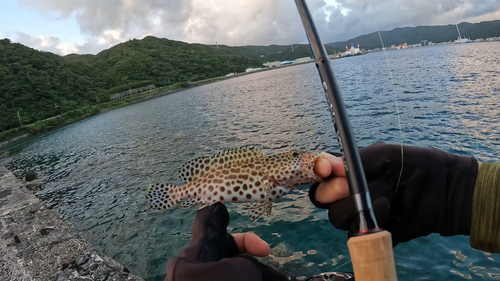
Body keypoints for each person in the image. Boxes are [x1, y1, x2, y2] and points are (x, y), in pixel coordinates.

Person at [164, 142, 500, 281]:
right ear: (278, 166)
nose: (305, 158)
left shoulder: (290, 176)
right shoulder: (264, 175)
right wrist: (465, 192)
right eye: (296, 154)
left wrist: (455, 192)